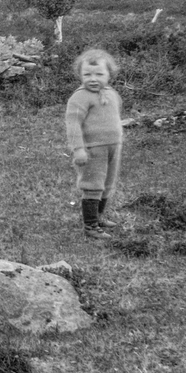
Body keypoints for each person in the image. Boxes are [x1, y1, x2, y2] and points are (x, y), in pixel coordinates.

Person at [64, 48, 123, 240]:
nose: (93, 78)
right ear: (79, 75)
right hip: (92, 149)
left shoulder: (112, 94)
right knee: (93, 185)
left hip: (113, 146)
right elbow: (73, 124)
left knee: (107, 184)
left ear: (109, 75)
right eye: (87, 74)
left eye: (99, 74)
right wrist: (78, 149)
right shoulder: (80, 97)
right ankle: (90, 226)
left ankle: (98, 217)